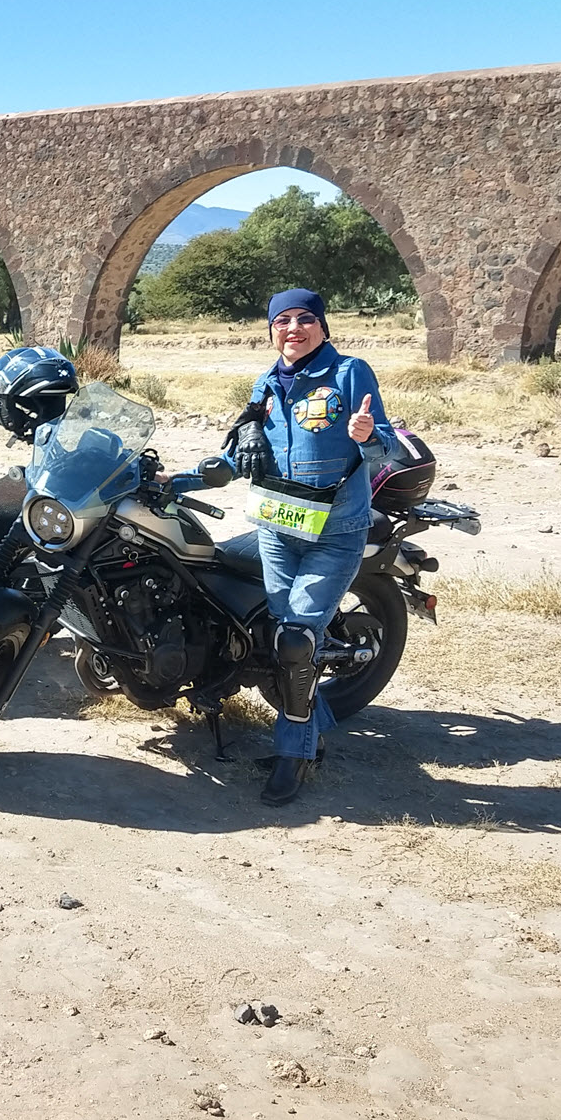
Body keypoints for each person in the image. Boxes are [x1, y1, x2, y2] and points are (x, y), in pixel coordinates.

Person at [222, 288, 396, 805]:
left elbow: (384, 446)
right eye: (282, 321)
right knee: (279, 641)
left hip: (335, 532)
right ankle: (308, 734)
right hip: (276, 530)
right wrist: (174, 478)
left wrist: (365, 434)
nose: (293, 329)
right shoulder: (266, 382)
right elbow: (244, 454)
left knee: (296, 641)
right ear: (271, 329)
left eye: (304, 320)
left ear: (322, 326)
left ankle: (293, 756)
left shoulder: (348, 373)